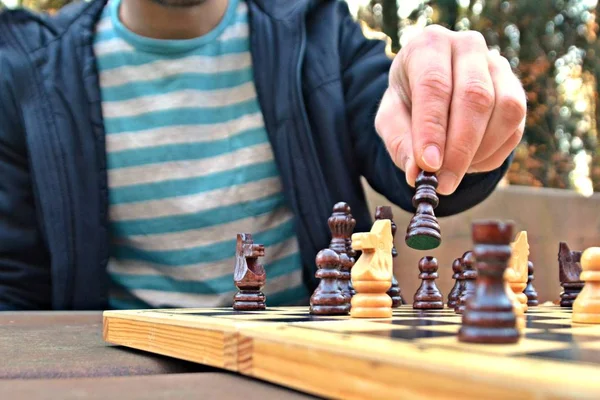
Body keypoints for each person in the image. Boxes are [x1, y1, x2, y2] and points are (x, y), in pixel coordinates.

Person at [0, 0, 526, 311]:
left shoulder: (318, 31)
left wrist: (454, 120)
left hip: (307, 368)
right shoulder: (28, 71)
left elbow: (402, 140)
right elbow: (15, 290)